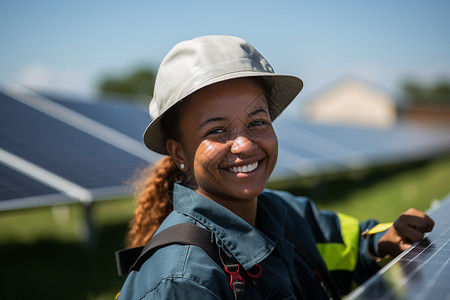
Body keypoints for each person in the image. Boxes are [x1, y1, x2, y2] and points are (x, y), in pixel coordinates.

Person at [116, 35, 434, 299]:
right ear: (178, 152)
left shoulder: (285, 213)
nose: (244, 145)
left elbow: (351, 243)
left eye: (257, 122)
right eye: (216, 131)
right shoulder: (183, 281)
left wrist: (383, 239)